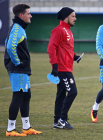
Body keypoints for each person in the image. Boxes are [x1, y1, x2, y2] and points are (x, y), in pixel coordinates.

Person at [4, 4, 42, 136]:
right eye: (29, 13)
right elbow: (9, 46)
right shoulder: (17, 28)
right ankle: (10, 129)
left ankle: (26, 127)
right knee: (18, 96)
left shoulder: (19, 27)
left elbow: (6, 40)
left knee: (26, 95)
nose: (31, 15)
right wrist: (17, 62)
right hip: (18, 68)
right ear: (21, 15)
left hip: (22, 68)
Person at [47, 7, 81, 130]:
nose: (75, 18)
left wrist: (74, 56)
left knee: (61, 95)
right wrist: (54, 65)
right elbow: (51, 48)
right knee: (73, 92)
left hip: (67, 67)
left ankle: (57, 122)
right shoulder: (58, 30)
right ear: (66, 17)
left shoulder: (69, 31)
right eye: (73, 16)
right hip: (62, 69)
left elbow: (66, 50)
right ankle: (62, 119)